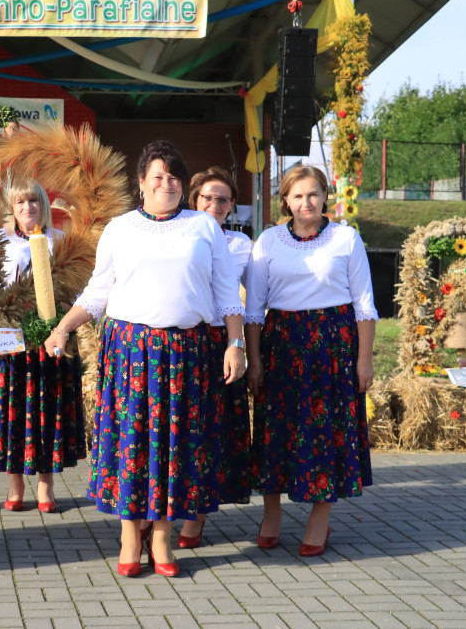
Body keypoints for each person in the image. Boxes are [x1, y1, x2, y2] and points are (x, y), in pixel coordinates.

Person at [43, 141, 246, 578]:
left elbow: (228, 293)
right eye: (158, 177)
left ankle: (162, 536)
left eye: (174, 177)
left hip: (187, 353)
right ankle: (130, 533)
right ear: (141, 183)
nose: (166, 184)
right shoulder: (120, 229)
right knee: (132, 444)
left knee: (175, 447)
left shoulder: (203, 228)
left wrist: (235, 344)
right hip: (132, 353)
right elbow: (98, 293)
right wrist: (63, 327)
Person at [244, 164, 376, 557]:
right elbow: (253, 309)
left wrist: (364, 360)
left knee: (327, 432)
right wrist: (254, 360)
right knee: (274, 431)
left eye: (314, 194)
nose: (307, 202)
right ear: (285, 199)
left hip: (333, 348)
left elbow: (365, 306)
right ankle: (271, 516)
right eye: (298, 195)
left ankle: (320, 521)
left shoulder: (346, 239)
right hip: (281, 345)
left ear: (326, 196)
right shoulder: (268, 240)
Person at [0, 178, 85, 512]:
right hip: (11, 343)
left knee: (48, 411)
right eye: (20, 203)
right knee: (14, 412)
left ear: (43, 205)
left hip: (51, 339)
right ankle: (15, 485)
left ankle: (46, 485)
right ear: (11, 210)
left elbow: (79, 289)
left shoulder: (62, 241)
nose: (28, 209)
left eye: (34, 202)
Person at [177, 166, 254, 548]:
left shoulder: (240, 244)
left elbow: (255, 299)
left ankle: (196, 518)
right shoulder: (178, 236)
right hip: (181, 342)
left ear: (232, 205)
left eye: (223, 198)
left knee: (210, 434)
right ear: (194, 200)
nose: (214, 204)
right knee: (176, 432)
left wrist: (240, 346)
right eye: (207, 197)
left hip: (221, 343)